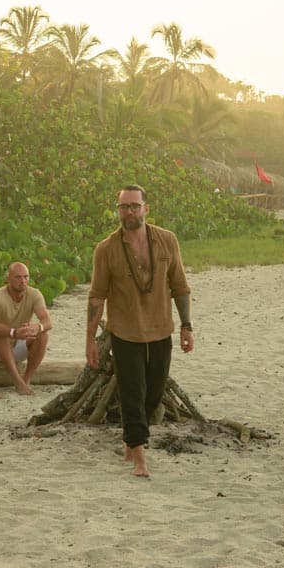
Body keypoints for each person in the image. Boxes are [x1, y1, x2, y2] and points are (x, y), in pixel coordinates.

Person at [85, 185, 193, 478]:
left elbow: (180, 287)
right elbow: (96, 297)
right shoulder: (106, 249)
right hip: (125, 332)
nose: (129, 212)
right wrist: (90, 341)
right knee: (132, 393)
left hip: (160, 330)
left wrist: (186, 326)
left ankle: (131, 441)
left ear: (146, 208)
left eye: (134, 206)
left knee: (153, 395)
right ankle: (139, 456)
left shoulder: (167, 240)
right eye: (123, 207)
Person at [0, 262, 52, 394]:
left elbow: (47, 321)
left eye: (26, 277)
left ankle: (27, 378)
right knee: (2, 334)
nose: (23, 281)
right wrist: (13, 332)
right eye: (18, 277)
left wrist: (37, 327)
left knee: (44, 334)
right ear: (8, 279)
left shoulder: (35, 294)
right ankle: (17, 381)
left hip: (18, 344)